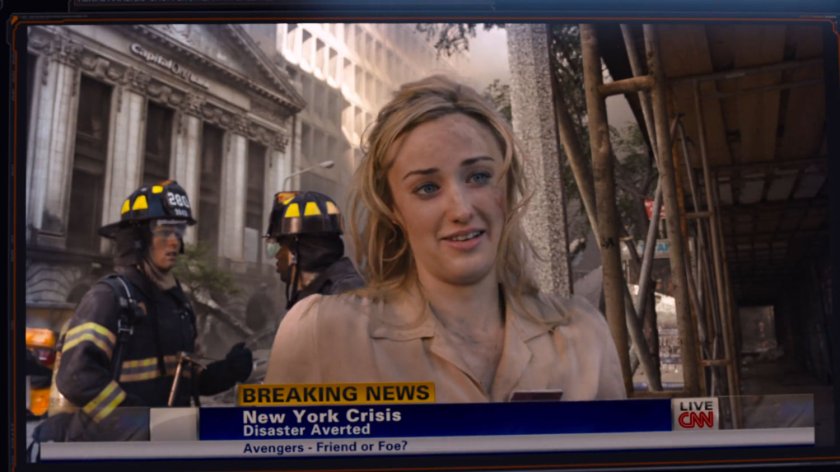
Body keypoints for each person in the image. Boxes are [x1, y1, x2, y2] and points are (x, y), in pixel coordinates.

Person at [265, 76, 626, 402]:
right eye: (427, 187)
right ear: (392, 207)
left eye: (479, 176)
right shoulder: (321, 334)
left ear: (508, 187)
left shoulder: (583, 334)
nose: (461, 209)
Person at [41, 180, 252, 441]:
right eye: (165, 231)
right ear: (138, 238)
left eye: (179, 231)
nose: (175, 241)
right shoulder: (109, 298)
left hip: (164, 445)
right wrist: (138, 419)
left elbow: (183, 380)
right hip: (113, 452)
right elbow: (77, 377)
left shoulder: (178, 305)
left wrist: (227, 371)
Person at [264, 190, 363, 309]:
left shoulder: (345, 296)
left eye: (280, 245)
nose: (277, 255)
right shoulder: (319, 293)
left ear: (295, 252)